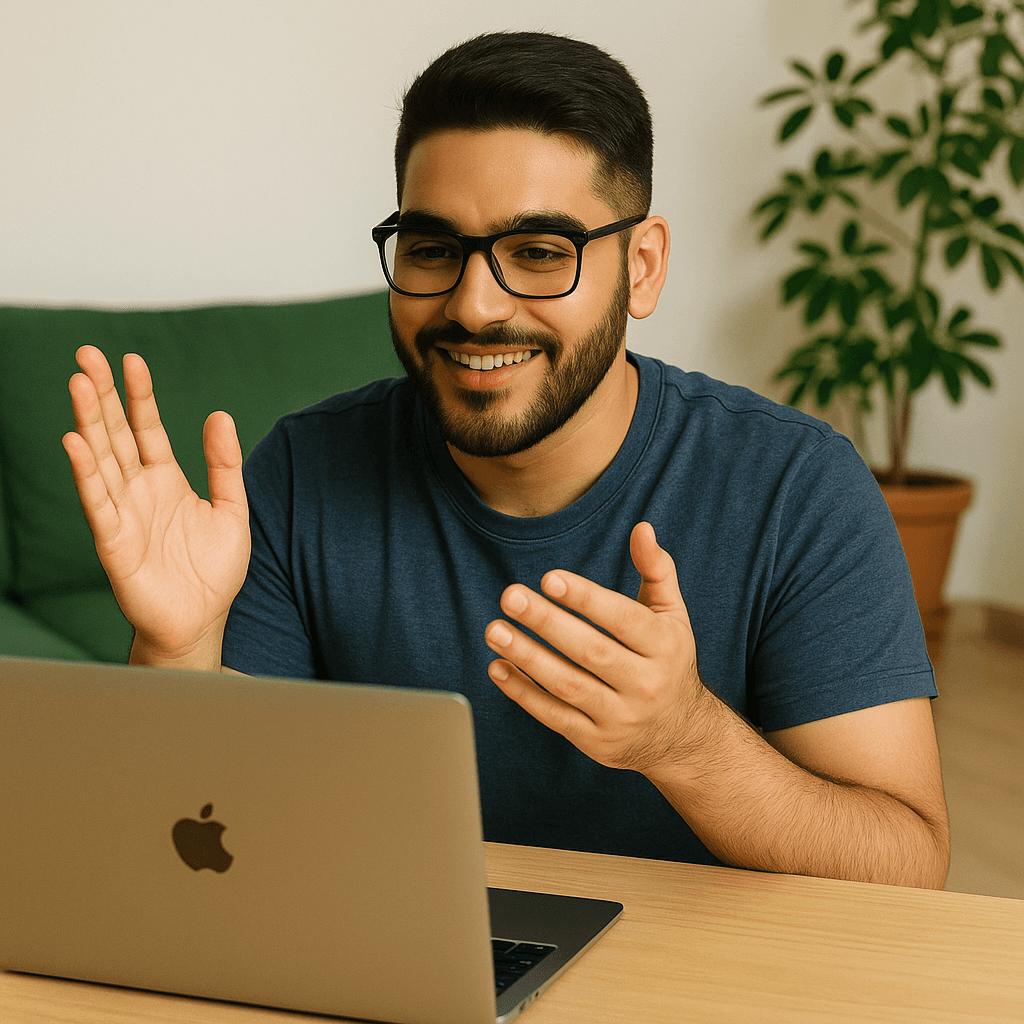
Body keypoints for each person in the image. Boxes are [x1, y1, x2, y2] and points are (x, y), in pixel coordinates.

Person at [63, 31, 949, 887]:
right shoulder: (303, 473)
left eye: (537, 253)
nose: (475, 306)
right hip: (394, 956)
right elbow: (196, 847)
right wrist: (177, 649)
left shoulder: (798, 487)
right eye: (433, 250)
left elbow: (907, 864)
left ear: (642, 267)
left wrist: (687, 741)